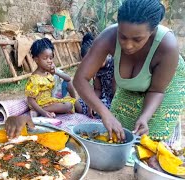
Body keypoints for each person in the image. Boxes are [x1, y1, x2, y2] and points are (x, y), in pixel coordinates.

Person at [73, 0, 184, 144]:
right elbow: (80, 79)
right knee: (120, 131)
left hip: (164, 87)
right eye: (123, 37)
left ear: (152, 32)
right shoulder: (108, 37)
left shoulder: (167, 47)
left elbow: (157, 91)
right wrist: (105, 114)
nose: (128, 45)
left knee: (150, 139)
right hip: (133, 84)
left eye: (137, 39)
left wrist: (144, 118)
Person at [25, 38, 80, 118]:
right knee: (68, 106)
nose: (49, 61)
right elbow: (30, 99)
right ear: (36, 59)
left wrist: (56, 72)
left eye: (50, 58)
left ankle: (41, 111)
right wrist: (43, 112)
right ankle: (38, 111)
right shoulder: (35, 79)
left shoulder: (49, 72)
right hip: (41, 104)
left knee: (76, 104)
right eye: (45, 58)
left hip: (50, 100)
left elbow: (68, 79)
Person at [78, 33, 115, 118]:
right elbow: (98, 89)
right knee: (80, 104)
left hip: (114, 100)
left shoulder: (114, 64)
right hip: (102, 98)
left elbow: (116, 93)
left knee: (101, 110)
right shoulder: (96, 69)